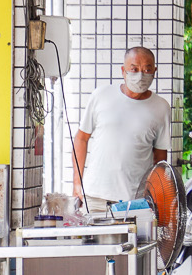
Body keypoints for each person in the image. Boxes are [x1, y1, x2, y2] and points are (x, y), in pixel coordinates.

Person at [72, 47, 171, 212]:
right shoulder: (101, 95)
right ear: (123, 71)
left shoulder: (161, 107)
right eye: (134, 69)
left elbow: (160, 159)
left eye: (147, 69)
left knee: (132, 238)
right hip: (94, 195)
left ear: (155, 71)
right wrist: (77, 182)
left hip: (134, 200)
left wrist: (156, 195)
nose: (140, 75)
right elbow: (81, 138)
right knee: (91, 237)